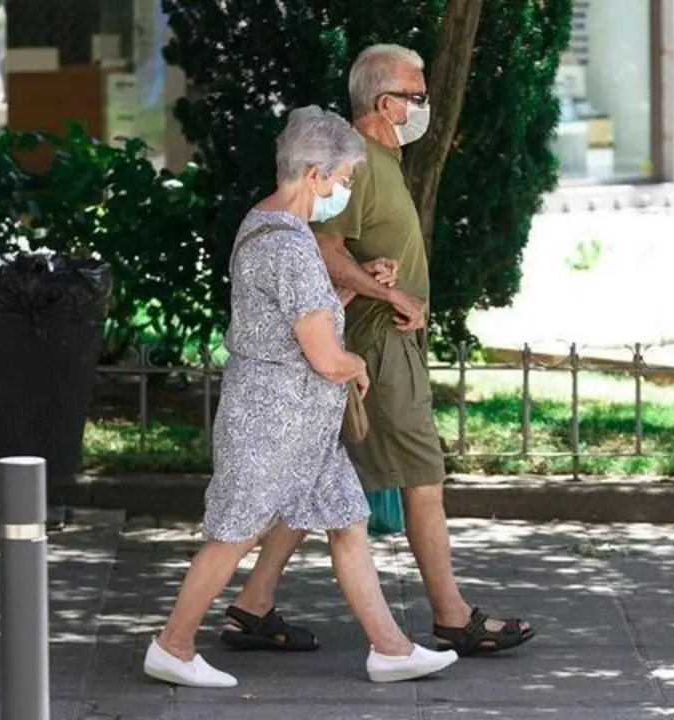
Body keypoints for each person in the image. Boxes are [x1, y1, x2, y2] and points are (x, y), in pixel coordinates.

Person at [216, 44, 536, 659]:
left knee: (321, 478)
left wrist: (374, 279)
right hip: (376, 346)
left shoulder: (380, 162)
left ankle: (253, 605)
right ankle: (451, 616)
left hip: (372, 344)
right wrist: (384, 294)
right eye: (417, 97)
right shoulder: (358, 165)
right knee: (422, 477)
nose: (425, 108)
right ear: (386, 103)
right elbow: (324, 247)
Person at [142, 105, 459, 689]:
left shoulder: (264, 223)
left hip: (296, 424)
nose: (343, 191)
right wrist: (357, 363)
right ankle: (173, 645)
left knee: (348, 522)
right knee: (234, 532)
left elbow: (301, 320)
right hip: (275, 422)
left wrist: (350, 286)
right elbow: (324, 356)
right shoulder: (288, 247)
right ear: (314, 173)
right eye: (341, 180)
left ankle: (390, 648)